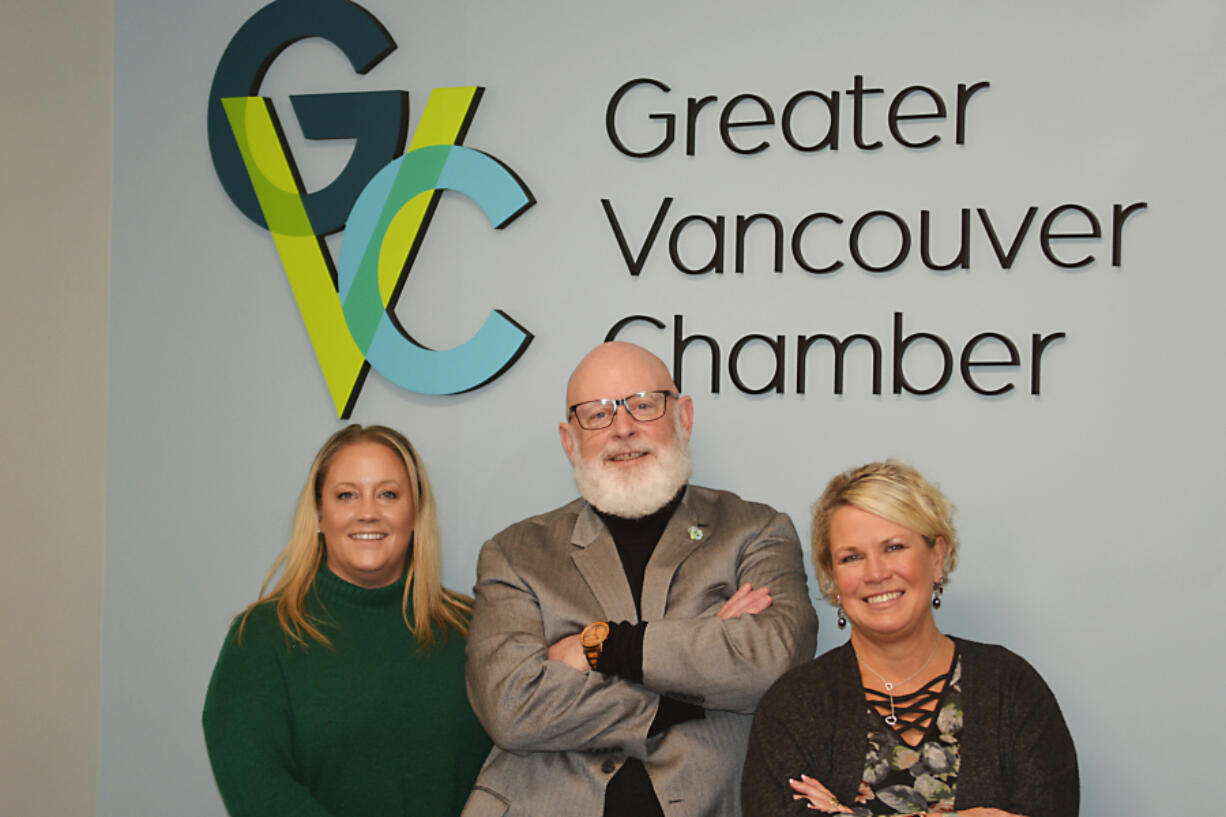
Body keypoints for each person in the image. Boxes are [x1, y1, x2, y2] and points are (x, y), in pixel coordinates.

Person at [463, 341, 818, 817]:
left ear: (684, 417)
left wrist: (598, 647)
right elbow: (511, 709)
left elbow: (772, 661)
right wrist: (685, 691)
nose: (623, 428)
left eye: (644, 405)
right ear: (570, 441)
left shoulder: (755, 531)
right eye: (598, 414)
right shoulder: (514, 554)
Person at [741, 461, 1078, 817]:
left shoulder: (1010, 688)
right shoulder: (795, 705)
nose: (875, 573)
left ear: (936, 557)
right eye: (852, 557)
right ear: (832, 578)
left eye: (894, 547)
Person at [202, 424, 491, 817]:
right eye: (346, 495)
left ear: (416, 513)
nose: (368, 513)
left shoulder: (474, 629)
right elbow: (259, 790)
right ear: (320, 515)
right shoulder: (262, 638)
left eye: (388, 494)